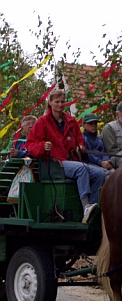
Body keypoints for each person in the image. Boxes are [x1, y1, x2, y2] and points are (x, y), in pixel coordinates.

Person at [26, 89, 105, 223]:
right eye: (57, 101)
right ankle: (86, 206)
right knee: (82, 169)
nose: (60, 104)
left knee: (100, 174)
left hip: (71, 161)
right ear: (50, 102)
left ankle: (93, 208)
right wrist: (43, 146)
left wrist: (80, 147)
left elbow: (79, 140)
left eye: (63, 102)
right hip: (54, 164)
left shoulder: (70, 121)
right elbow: (30, 145)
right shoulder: (42, 122)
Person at [82, 113, 115, 179]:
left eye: (95, 124)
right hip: (89, 164)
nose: (94, 126)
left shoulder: (99, 138)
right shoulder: (83, 138)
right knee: (106, 175)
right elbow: (88, 155)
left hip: (102, 164)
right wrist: (101, 162)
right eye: (91, 124)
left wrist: (106, 161)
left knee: (115, 173)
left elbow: (104, 151)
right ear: (84, 125)